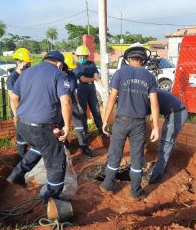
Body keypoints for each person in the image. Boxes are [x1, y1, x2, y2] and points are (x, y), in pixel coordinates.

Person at [6, 51, 72, 201]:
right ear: (59, 64)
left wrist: (17, 116)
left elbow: (14, 97)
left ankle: (17, 173)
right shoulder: (58, 74)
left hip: (23, 124)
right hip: (41, 127)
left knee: (39, 146)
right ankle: (52, 198)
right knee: (57, 160)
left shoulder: (27, 73)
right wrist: (67, 127)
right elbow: (66, 102)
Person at [100, 43, 160, 200]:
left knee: (115, 153)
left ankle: (107, 185)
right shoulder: (149, 77)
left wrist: (105, 120)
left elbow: (112, 98)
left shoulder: (120, 73)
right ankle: (135, 191)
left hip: (121, 121)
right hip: (139, 124)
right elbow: (154, 103)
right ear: (143, 60)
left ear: (127, 59)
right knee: (137, 156)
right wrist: (155, 127)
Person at [143, 89, 188, 184]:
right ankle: (162, 164)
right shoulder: (146, 95)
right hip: (173, 112)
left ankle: (156, 174)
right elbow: (148, 120)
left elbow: (147, 123)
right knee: (166, 140)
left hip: (178, 113)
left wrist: (146, 139)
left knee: (166, 141)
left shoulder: (146, 98)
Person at [6, 48, 37, 161]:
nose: (28, 65)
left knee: (29, 135)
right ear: (18, 62)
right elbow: (12, 99)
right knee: (21, 137)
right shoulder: (12, 78)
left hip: (27, 110)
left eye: (29, 63)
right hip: (19, 111)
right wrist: (16, 115)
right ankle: (21, 159)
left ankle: (28, 159)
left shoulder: (26, 75)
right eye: (26, 63)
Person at [62, 52, 93, 157]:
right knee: (62, 125)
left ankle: (84, 146)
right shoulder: (57, 76)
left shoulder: (72, 75)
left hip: (73, 102)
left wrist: (78, 104)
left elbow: (74, 91)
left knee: (79, 124)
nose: (70, 70)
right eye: (68, 68)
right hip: (60, 104)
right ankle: (65, 147)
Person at [73, 45, 104, 136]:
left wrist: (102, 88)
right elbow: (83, 79)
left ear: (87, 56)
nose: (82, 58)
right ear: (77, 56)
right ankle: (85, 132)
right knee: (82, 111)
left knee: (96, 110)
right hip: (82, 89)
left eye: (84, 57)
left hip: (91, 89)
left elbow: (96, 75)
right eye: (80, 57)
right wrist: (94, 79)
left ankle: (101, 129)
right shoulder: (76, 65)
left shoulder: (91, 63)